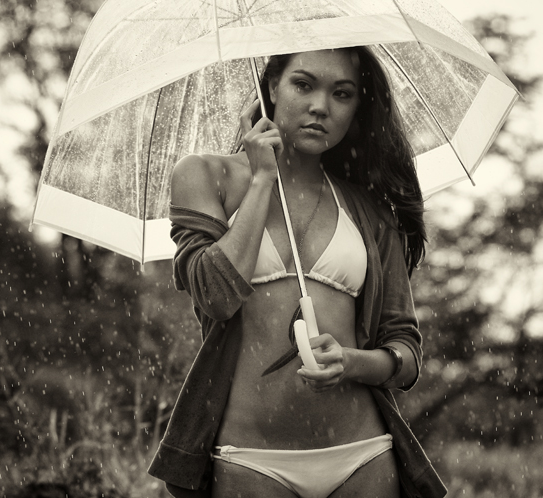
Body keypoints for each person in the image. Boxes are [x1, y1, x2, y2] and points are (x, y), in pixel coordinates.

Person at [148, 47, 446, 498]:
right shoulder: (206, 175)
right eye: (303, 85)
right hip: (250, 459)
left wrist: (351, 362)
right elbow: (215, 295)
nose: (321, 106)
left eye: (342, 93)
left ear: (357, 107)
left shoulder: (369, 208)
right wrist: (262, 180)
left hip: (363, 456)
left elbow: (405, 356)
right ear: (272, 86)